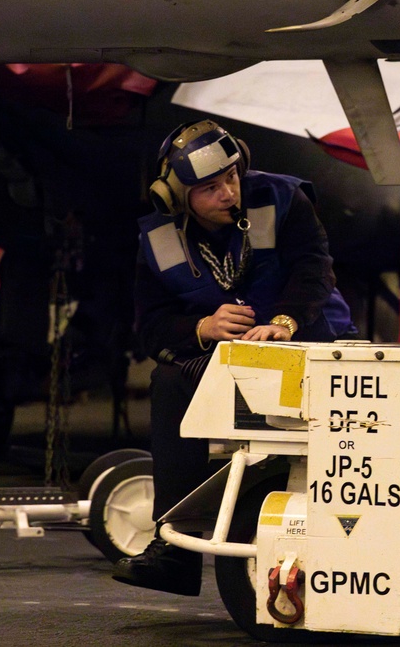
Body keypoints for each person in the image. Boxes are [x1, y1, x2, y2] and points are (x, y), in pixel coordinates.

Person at [113, 119, 356, 595]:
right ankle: (175, 550)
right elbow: (151, 327)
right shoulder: (158, 239)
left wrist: (285, 321)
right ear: (177, 197)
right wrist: (201, 328)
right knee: (169, 380)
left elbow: (315, 270)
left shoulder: (284, 199)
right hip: (230, 362)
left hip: (310, 345)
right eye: (210, 188)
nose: (228, 193)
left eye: (231, 177)